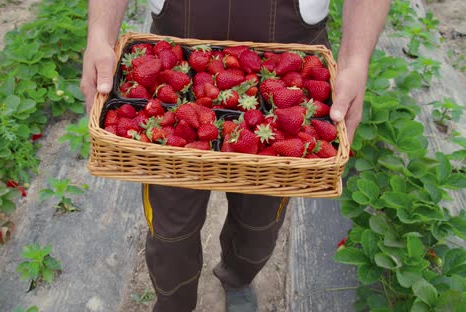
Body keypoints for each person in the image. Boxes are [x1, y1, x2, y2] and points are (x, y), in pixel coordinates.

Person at [81, 1, 391, 311]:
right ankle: (174, 301)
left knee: (259, 225)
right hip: (177, 43)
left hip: (289, 48)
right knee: (170, 230)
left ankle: (237, 277)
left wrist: (355, 61)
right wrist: (100, 36)